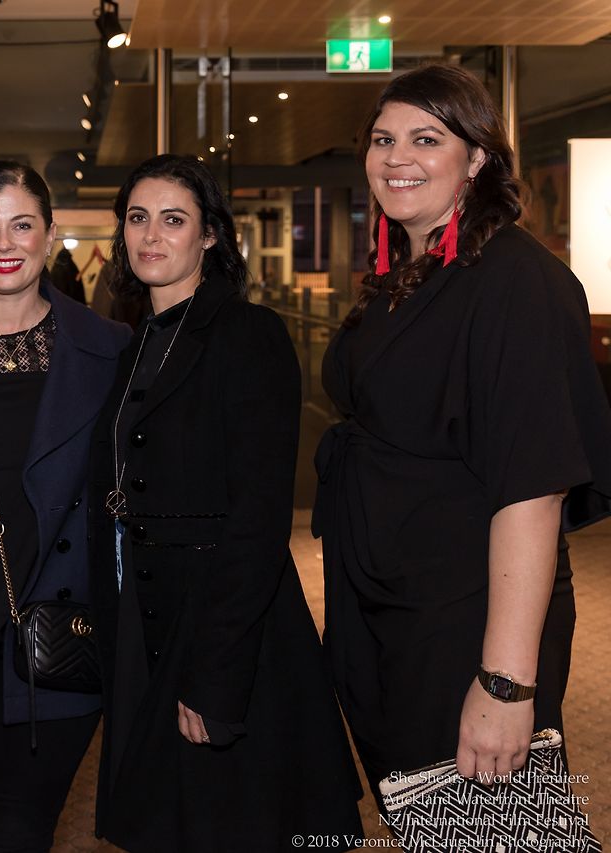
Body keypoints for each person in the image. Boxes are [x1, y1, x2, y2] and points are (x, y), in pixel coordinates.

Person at [313, 63, 611, 802]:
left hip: (468, 614)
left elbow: (532, 491)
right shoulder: (409, 272)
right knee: (427, 819)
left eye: (426, 139)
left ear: (476, 158)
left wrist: (505, 683)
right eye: (383, 139)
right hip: (391, 604)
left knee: (489, 829)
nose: (397, 158)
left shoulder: (516, 280)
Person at [88, 154, 363, 852]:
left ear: (209, 234)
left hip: (226, 626)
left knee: (229, 821)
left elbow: (259, 520)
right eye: (138, 218)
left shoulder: (248, 334)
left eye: (173, 219)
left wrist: (215, 674)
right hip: (147, 615)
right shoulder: (136, 343)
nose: (152, 235)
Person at [0, 161, 130, 852]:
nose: (4, 242)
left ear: (49, 233)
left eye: (21, 224)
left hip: (60, 641)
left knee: (15, 828)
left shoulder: (108, 349)